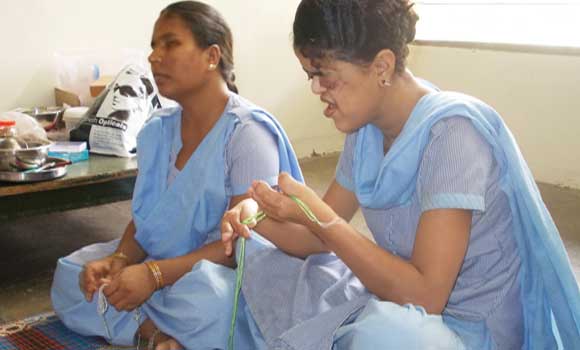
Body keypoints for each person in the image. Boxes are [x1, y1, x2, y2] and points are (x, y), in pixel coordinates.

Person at [220, 0, 580, 349]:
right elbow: (316, 238)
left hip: (462, 330)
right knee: (254, 267)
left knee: (387, 334)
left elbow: (426, 296)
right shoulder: (365, 132)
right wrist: (256, 216)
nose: (316, 89)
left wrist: (320, 217)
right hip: (396, 300)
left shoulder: (453, 135)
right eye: (310, 76)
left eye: (324, 76)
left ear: (381, 66)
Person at [50, 1, 302, 349]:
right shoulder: (157, 130)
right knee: (72, 274)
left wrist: (155, 276)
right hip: (161, 264)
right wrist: (119, 260)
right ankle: (157, 334)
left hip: (222, 273)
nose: (154, 57)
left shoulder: (247, 134)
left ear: (212, 56)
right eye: (154, 46)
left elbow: (244, 246)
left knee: (212, 302)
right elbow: (147, 220)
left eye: (170, 44)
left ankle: (150, 326)